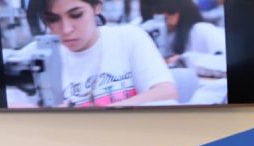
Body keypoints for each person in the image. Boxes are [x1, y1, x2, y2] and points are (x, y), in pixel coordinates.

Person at [32, 0, 176, 107]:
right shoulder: (37, 54)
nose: (66, 29)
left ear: (97, 7)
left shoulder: (128, 37)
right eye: (52, 19)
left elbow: (166, 93)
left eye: (76, 15)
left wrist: (101, 114)